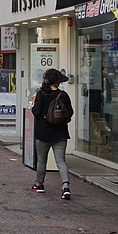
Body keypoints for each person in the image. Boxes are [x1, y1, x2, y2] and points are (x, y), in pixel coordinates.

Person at [30, 68, 74, 199]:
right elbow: (70, 113)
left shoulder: (41, 94)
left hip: (43, 132)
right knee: (61, 160)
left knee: (42, 159)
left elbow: (36, 112)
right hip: (60, 133)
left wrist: (34, 102)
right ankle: (65, 186)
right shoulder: (64, 95)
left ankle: (39, 184)